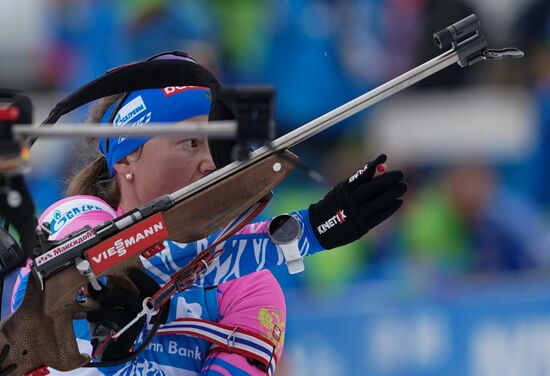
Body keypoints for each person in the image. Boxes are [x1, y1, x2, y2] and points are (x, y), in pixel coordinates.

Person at [10, 52, 407, 375]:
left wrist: (316, 227)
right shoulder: (76, 215)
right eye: (189, 143)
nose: (208, 164)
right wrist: (308, 231)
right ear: (128, 155)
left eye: (213, 148)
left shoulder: (252, 285)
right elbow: (112, 259)